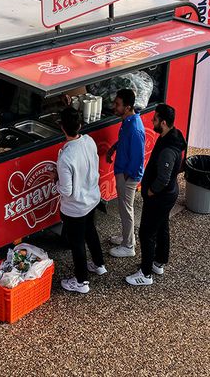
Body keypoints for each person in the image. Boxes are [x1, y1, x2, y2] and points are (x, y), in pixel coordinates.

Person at [126, 104, 187, 287]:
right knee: (162, 227)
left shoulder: (168, 149)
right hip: (167, 195)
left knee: (147, 232)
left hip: (160, 197)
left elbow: (163, 178)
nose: (152, 121)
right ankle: (159, 262)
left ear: (164, 122)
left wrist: (151, 191)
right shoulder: (170, 137)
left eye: (155, 119)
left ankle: (145, 273)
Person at [55, 107, 107, 294]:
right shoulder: (89, 141)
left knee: (77, 242)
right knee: (90, 231)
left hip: (75, 207)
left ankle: (81, 281)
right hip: (92, 198)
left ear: (62, 128)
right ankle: (99, 264)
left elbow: (66, 191)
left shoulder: (65, 157)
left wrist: (55, 184)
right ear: (80, 125)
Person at [105, 88, 146, 258]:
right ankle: (126, 237)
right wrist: (114, 149)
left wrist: (127, 177)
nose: (115, 107)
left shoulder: (134, 128)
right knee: (124, 208)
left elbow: (138, 158)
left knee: (126, 209)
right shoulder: (129, 121)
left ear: (128, 107)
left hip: (127, 175)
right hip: (125, 173)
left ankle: (129, 245)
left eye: (118, 104)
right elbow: (125, 142)